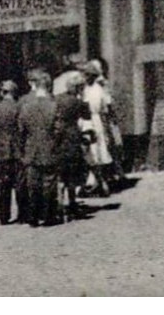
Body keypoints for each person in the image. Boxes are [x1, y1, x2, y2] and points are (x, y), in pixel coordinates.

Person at [16, 70, 60, 226]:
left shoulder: (26, 107)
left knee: (33, 184)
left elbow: (21, 131)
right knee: (49, 183)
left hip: (31, 151)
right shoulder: (53, 106)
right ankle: (49, 216)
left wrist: (23, 150)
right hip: (49, 150)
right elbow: (58, 130)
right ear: (47, 87)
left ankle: (33, 217)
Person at [52, 69, 92, 219]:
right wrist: (83, 97)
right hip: (72, 140)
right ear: (77, 88)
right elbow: (87, 116)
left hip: (58, 140)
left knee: (60, 174)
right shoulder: (77, 102)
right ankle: (72, 203)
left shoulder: (56, 99)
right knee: (72, 175)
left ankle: (60, 204)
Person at [0, 79, 23, 225]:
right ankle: (23, 214)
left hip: (1, 152)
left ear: (3, 92)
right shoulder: (19, 108)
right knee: (20, 185)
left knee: (3, 186)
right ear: (14, 93)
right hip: (17, 151)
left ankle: (4, 216)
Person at [79, 61, 115, 195]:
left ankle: (99, 182)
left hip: (92, 120)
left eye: (86, 75)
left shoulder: (95, 90)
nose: (84, 77)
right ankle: (95, 182)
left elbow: (100, 107)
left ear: (91, 76)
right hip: (91, 120)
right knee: (91, 152)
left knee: (93, 151)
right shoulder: (86, 89)